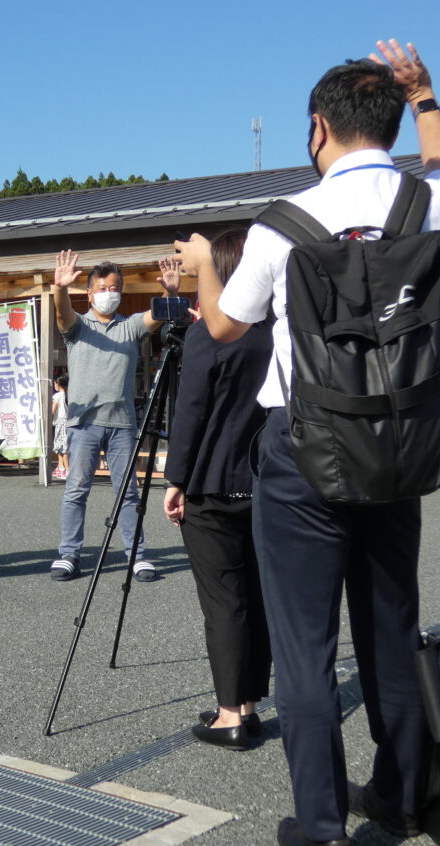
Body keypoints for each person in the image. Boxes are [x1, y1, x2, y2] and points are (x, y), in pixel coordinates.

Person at [176, 41, 440, 846]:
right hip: (399, 445)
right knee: (390, 626)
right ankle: (405, 792)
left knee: (306, 645)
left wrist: (202, 268)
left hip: (302, 449)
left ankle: (325, 828)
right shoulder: (430, 206)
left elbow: (225, 328)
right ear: (388, 119)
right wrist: (428, 96)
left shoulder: (282, 224)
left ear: (317, 129)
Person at [161, 233, 273, 752]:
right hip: (265, 482)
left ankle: (229, 713)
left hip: (210, 484)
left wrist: (174, 479)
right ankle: (248, 703)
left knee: (224, 602)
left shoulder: (212, 335)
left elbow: (190, 414)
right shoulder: (273, 332)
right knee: (257, 597)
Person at [49, 253, 165, 582]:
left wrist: (170, 293)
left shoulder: (129, 327)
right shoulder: (78, 326)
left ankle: (136, 555)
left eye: (114, 287)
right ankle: (69, 554)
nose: (108, 292)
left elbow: (155, 317)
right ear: (89, 293)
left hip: (122, 424)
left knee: (127, 491)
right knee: (76, 489)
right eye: (102, 287)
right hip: (84, 423)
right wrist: (60, 286)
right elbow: (62, 312)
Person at [50, 374, 69, 479]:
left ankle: (65, 469)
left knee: (60, 445)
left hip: (60, 422)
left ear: (57, 384)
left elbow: (52, 411)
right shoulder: (68, 395)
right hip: (67, 422)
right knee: (62, 445)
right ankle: (60, 467)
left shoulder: (57, 396)